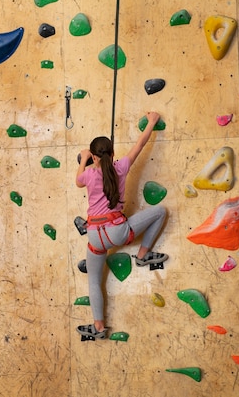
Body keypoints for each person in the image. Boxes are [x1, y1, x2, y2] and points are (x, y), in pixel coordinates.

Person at [75, 111, 168, 339]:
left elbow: (77, 180)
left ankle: (98, 326)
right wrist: (152, 121)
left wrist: (84, 157)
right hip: (118, 230)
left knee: (94, 281)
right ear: (113, 153)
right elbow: (140, 144)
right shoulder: (121, 166)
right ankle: (143, 254)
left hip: (95, 236)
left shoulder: (88, 174)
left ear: (94, 157)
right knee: (160, 211)